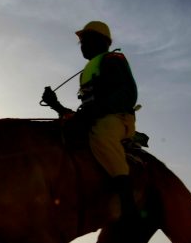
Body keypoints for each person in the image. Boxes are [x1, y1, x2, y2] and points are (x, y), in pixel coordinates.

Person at [41, 21, 140, 221]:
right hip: (94, 117)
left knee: (102, 135)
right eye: (81, 43)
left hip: (117, 118)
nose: (82, 46)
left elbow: (128, 94)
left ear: (102, 42)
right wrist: (55, 105)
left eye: (86, 41)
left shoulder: (114, 59)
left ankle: (127, 202)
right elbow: (85, 111)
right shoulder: (89, 70)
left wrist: (95, 111)